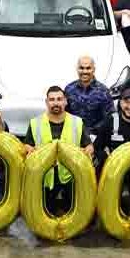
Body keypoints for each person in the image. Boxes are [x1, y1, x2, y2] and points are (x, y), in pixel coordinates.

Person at [24, 86, 93, 216]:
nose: (55, 103)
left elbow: (89, 145)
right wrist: (30, 150)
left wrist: (87, 151)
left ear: (65, 101)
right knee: (44, 215)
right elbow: (27, 144)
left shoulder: (77, 122)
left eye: (59, 99)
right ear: (46, 102)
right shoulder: (35, 123)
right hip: (46, 177)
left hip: (70, 177)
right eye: (52, 99)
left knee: (75, 215)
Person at [64, 55, 113, 130]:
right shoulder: (69, 89)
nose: (85, 71)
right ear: (77, 69)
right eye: (81, 68)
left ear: (93, 69)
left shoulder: (103, 91)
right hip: (73, 136)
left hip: (95, 137)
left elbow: (109, 119)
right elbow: (64, 115)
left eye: (88, 68)